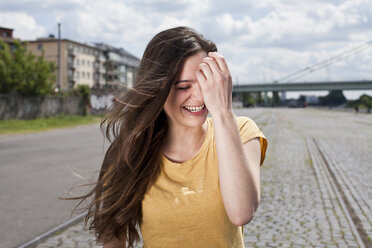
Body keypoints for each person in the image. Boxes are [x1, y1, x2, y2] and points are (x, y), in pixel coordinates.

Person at [70, 26, 268, 248]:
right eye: (184, 86)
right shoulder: (131, 153)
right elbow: (112, 239)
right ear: (158, 90)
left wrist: (223, 113)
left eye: (205, 82)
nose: (200, 96)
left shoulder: (241, 131)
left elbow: (242, 212)